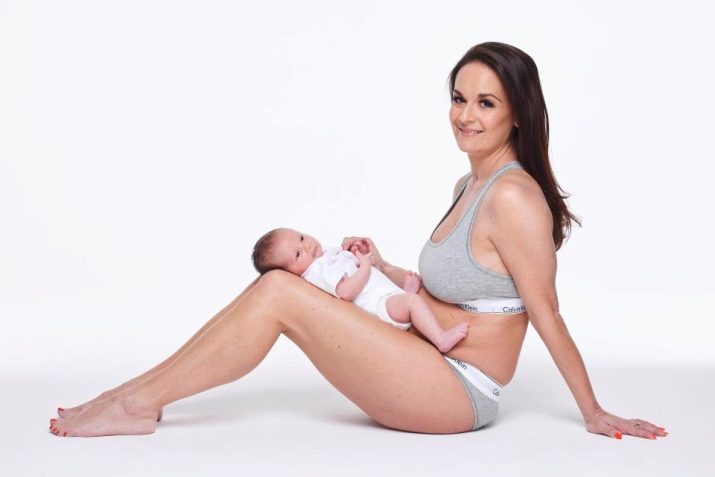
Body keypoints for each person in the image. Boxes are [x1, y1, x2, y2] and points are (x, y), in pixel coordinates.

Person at [50, 42, 667, 439]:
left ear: (517, 112)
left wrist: (593, 411)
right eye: (459, 99)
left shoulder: (513, 196)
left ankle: (135, 403)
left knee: (279, 292)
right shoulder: (469, 183)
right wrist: (383, 265)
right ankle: (134, 396)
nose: (465, 116)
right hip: (420, 357)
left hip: (458, 390)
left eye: (486, 103)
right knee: (277, 288)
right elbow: (453, 290)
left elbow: (546, 312)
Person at [251, 227, 470, 353]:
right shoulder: (316, 271)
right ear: (291, 274)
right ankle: (440, 338)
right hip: (379, 309)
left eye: (301, 237)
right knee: (413, 304)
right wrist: (364, 265)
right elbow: (346, 292)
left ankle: (406, 295)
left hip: (383, 297)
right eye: (297, 254)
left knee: (408, 299)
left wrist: (352, 254)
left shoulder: (324, 257)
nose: (306, 245)